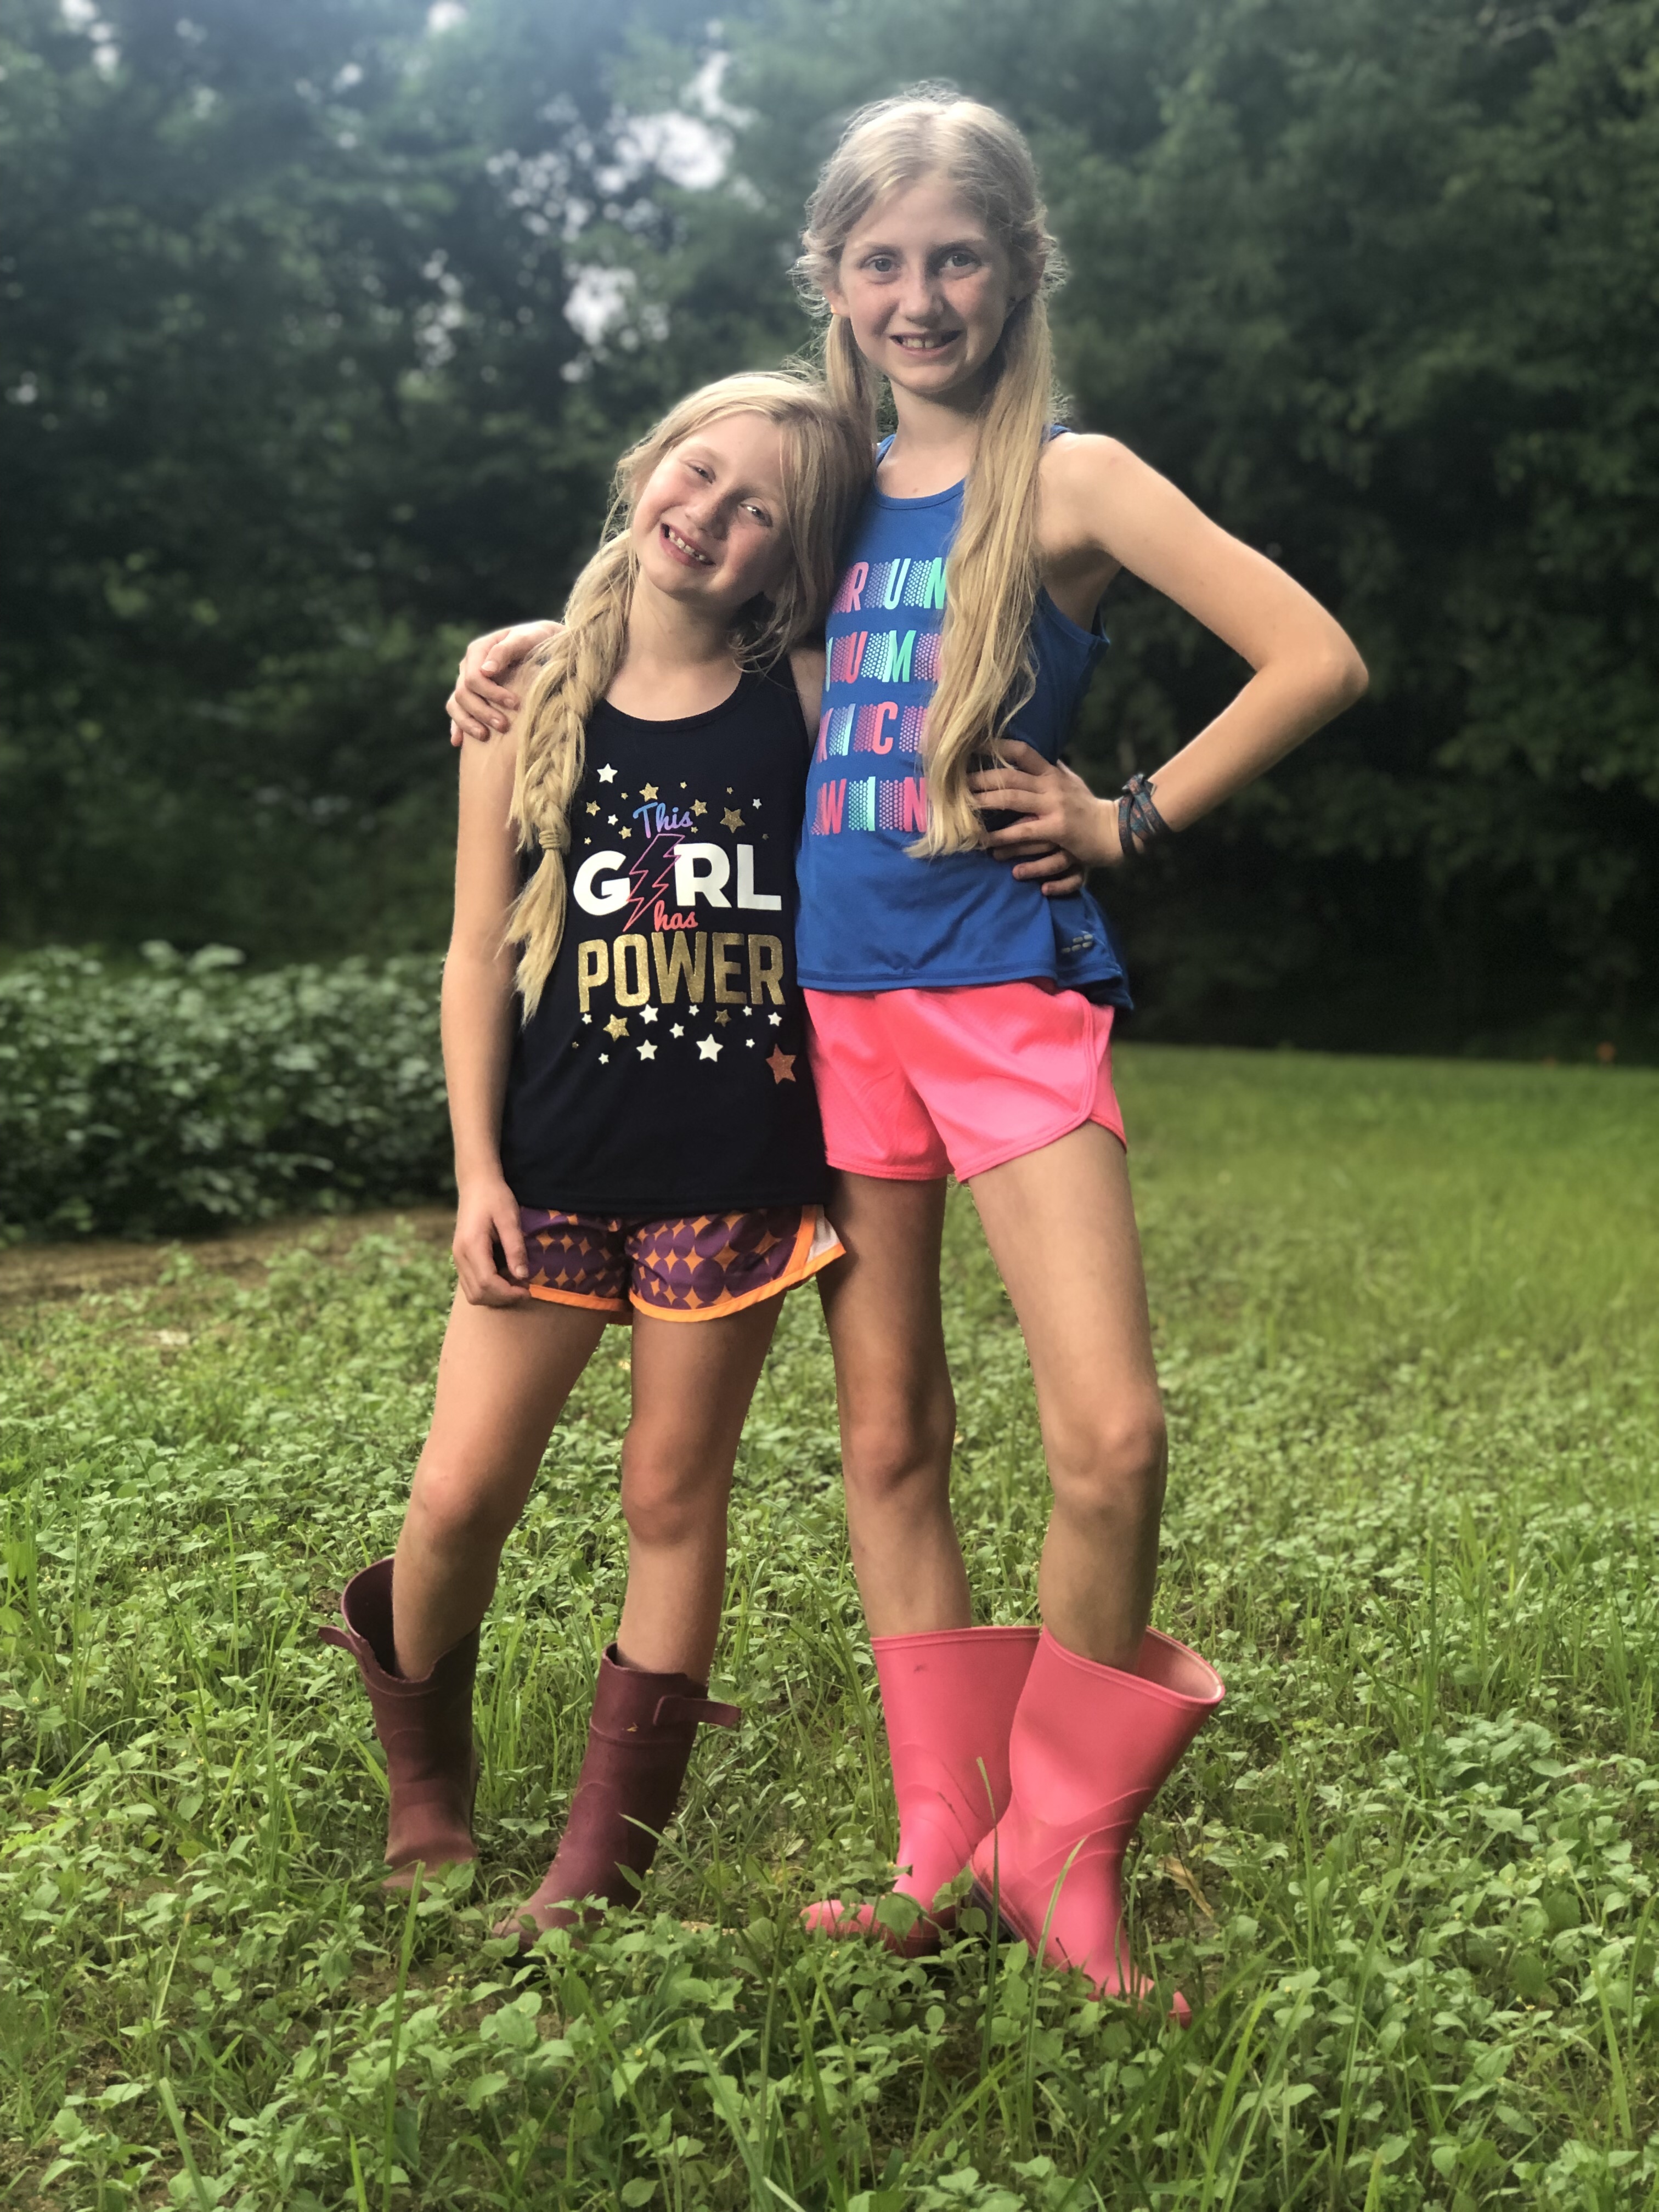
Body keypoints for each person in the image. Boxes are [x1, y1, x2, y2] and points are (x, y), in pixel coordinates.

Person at [447, 89, 1368, 2010]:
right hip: (834, 1026)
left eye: (958, 257)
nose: (921, 295)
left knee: (1113, 1439)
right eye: (883, 261)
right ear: (835, 279)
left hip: (1006, 1003)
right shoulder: (833, 495)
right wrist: (532, 636)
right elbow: (680, 605)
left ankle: (1067, 1856)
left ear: (1021, 266)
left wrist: (1128, 816)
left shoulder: (1075, 484)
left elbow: (1314, 655)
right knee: (889, 1440)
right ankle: (942, 1851)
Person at [323, 371, 870, 1945]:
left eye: (759, 510)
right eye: (698, 474)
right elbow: (472, 955)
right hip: (549, 1173)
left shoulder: (807, 699)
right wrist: (476, 1174)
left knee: (670, 1496)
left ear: (790, 558)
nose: (710, 517)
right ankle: (426, 1780)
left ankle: (598, 1870)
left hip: (736, 1179)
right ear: (645, 470)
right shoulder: (526, 698)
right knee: (456, 1495)